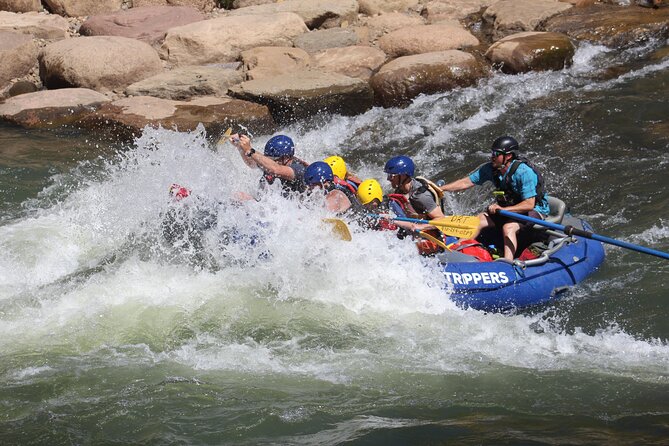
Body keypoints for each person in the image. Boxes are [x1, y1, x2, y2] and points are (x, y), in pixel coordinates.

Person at [439, 135, 550, 261]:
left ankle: (507, 264)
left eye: (496, 154)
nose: (492, 156)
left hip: (535, 210)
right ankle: (457, 250)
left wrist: (503, 209)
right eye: (492, 152)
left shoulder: (524, 173)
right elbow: (466, 182)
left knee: (508, 227)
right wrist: (441, 189)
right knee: (480, 219)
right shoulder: (492, 169)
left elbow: (529, 204)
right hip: (510, 209)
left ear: (508, 156)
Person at [383, 155, 449, 254]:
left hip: (431, 237)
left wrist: (421, 227)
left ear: (403, 175)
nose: (389, 179)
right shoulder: (400, 190)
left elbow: (442, 220)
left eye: (392, 176)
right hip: (413, 231)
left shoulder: (421, 196)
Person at [231, 133, 308, 196]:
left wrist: (249, 150)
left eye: (273, 159)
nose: (270, 161)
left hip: (288, 210)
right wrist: (240, 147)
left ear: (286, 158)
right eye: (268, 158)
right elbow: (251, 163)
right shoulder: (271, 164)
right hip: (266, 206)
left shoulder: (298, 169)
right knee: (238, 196)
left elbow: (276, 169)